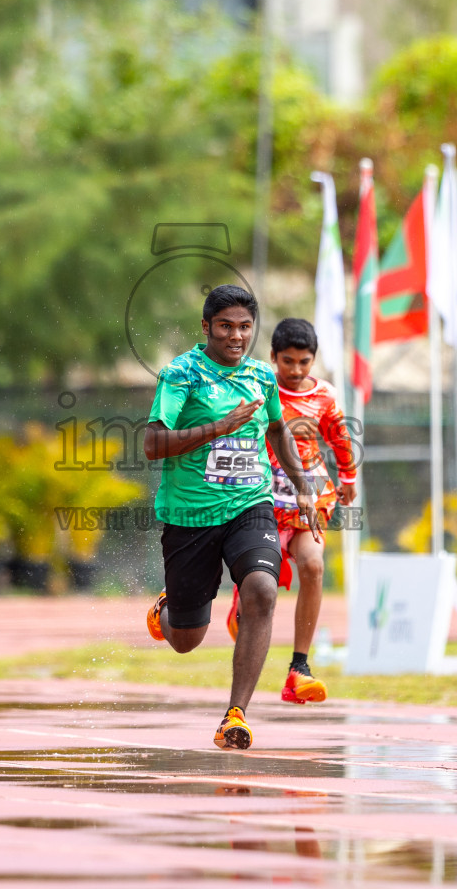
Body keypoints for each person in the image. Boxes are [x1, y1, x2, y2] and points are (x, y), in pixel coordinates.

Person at [142, 285, 320, 750]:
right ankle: (171, 605)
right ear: (206, 328)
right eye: (226, 326)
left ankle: (235, 715)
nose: (236, 336)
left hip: (250, 505)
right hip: (190, 515)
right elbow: (153, 443)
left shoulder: (261, 377)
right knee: (185, 640)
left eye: (244, 327)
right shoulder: (182, 374)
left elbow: (278, 430)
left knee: (262, 589)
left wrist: (303, 487)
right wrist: (220, 426)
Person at [224, 318, 357, 707]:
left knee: (313, 566)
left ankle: (300, 667)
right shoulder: (259, 388)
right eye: (288, 362)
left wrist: (348, 477)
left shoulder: (326, 396)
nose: (296, 371)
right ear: (273, 357)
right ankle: (241, 598)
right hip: (260, 498)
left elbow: (341, 438)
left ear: (313, 359)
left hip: (308, 498)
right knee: (257, 587)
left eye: (304, 362)